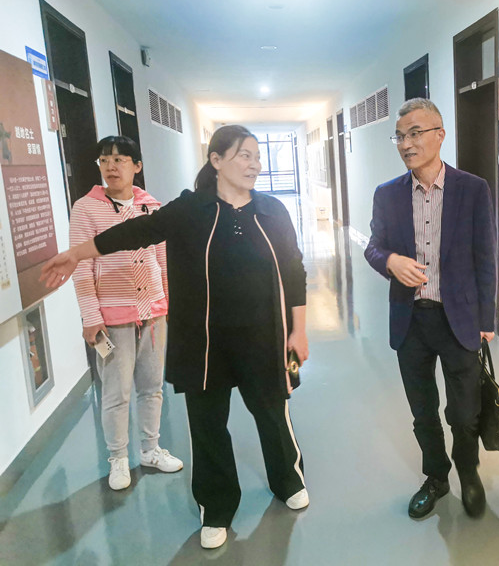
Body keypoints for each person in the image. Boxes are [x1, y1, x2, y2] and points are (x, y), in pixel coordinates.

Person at [41, 125, 309, 550]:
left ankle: (287, 480)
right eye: (244, 155)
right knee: (207, 426)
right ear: (216, 160)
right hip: (204, 342)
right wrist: (76, 253)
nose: (255, 164)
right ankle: (216, 507)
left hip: (263, 337)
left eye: (257, 156)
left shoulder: (272, 210)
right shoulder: (190, 208)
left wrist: (299, 330)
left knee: (273, 414)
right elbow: (133, 233)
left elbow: (294, 270)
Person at [365, 98, 497, 519]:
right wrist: (390, 261)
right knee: (422, 412)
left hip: (458, 319)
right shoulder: (387, 195)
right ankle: (437, 478)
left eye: (415, 133)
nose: (406, 144)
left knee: (464, 413)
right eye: (400, 136)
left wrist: (487, 319)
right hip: (411, 320)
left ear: (440, 135)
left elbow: (486, 257)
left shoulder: (472, 189)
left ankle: (468, 473)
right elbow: (373, 246)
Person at [70, 136, 183, 491]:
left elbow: (162, 257)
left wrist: (170, 303)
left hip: (153, 312)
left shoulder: (151, 205)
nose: (111, 167)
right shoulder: (86, 208)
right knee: (116, 393)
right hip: (112, 316)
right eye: (104, 160)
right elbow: (80, 265)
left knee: (152, 387)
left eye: (119, 160)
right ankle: (118, 458)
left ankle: (150, 449)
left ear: (136, 166)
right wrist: (91, 316)